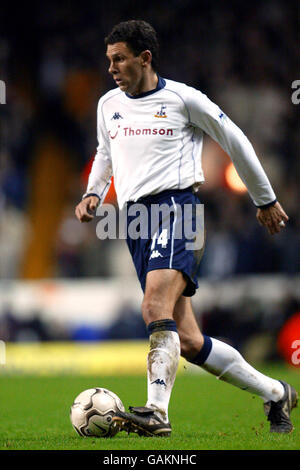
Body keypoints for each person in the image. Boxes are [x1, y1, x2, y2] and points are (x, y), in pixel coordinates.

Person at [75, 20, 297, 437]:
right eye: (109, 60)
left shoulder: (183, 99)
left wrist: (264, 198)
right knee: (191, 341)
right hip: (134, 222)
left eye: (119, 59)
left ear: (145, 58)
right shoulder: (108, 104)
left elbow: (235, 140)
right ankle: (276, 392)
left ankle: (157, 413)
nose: (112, 68)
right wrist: (93, 192)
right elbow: (105, 152)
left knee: (153, 308)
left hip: (178, 209)